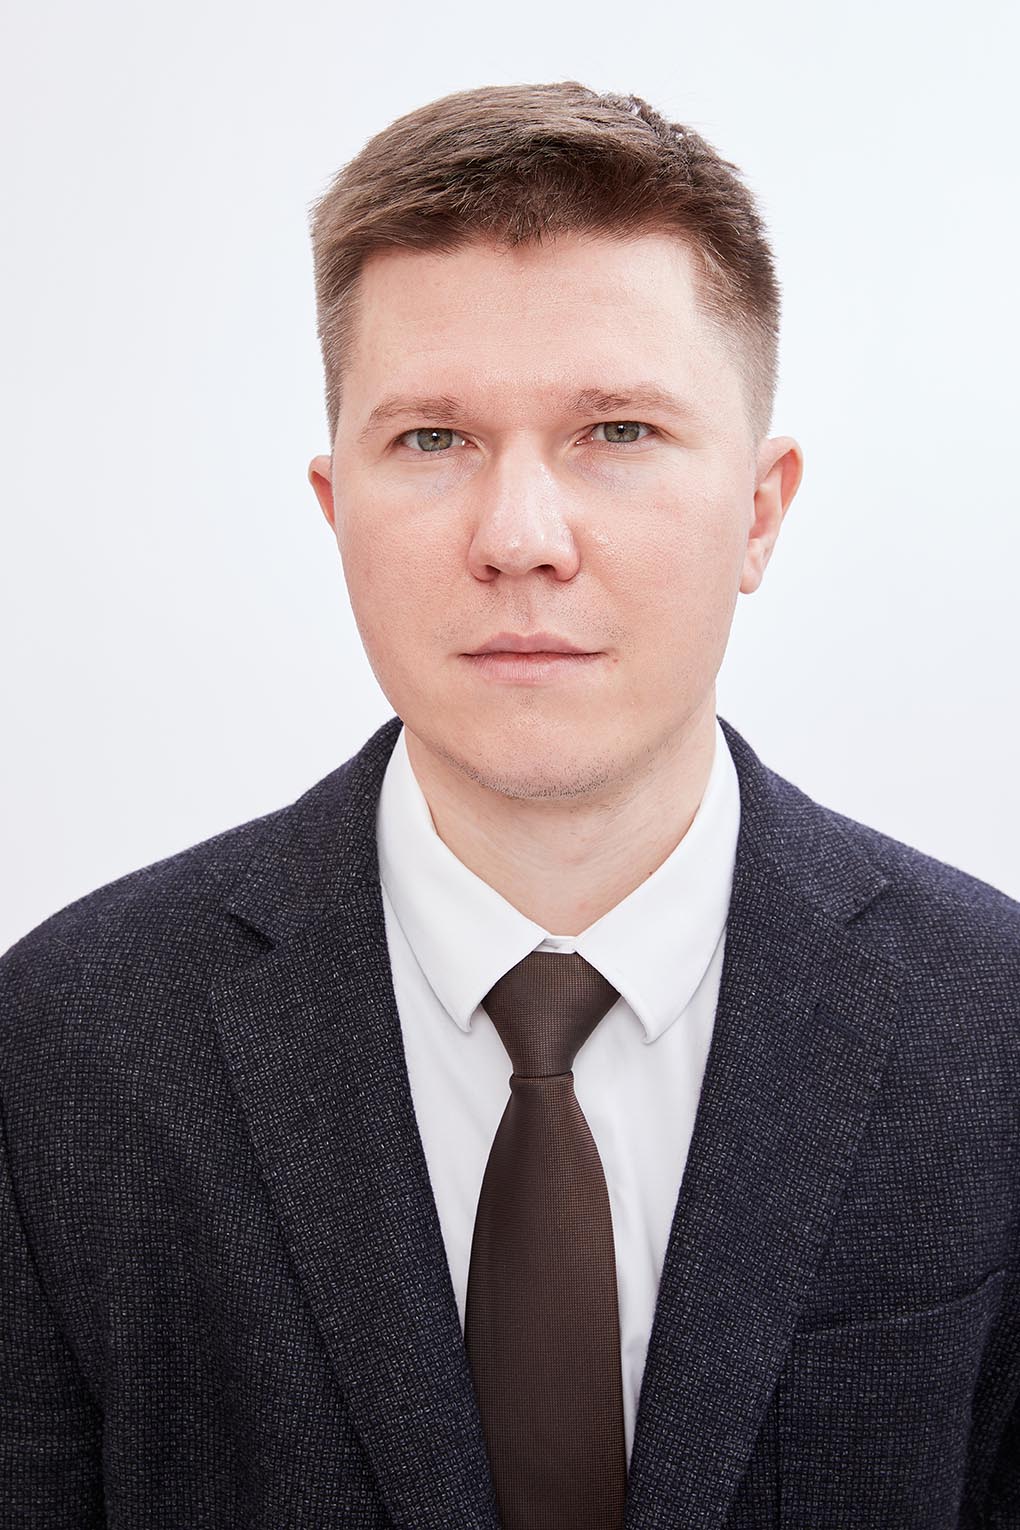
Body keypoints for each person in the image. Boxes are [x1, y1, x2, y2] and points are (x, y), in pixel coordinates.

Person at [1, 79, 1017, 1530]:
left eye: (618, 430)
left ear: (760, 512)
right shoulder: (64, 1045)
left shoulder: (991, 1022)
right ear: (334, 509)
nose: (521, 538)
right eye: (432, 439)